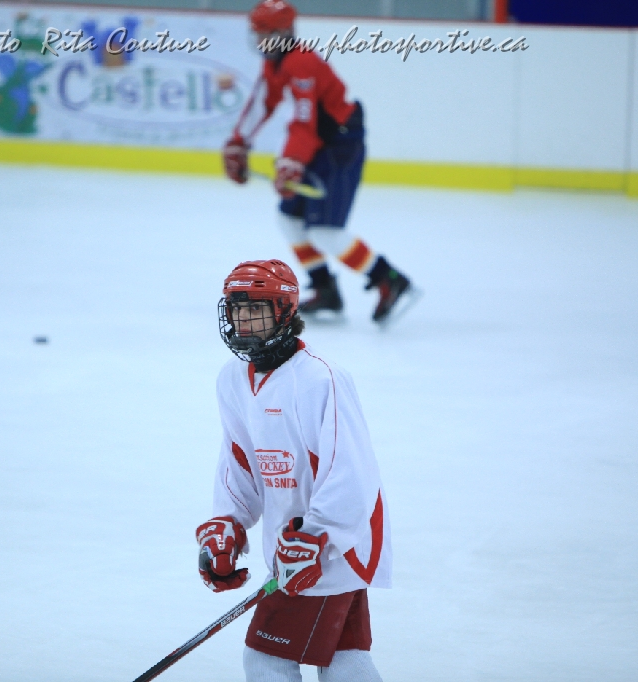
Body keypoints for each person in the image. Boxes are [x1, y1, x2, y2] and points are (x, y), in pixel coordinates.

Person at [196, 259, 390, 681]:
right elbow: (239, 461)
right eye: (236, 309)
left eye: (256, 309)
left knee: (266, 658)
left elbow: (351, 471)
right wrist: (229, 522)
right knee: (342, 660)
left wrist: (316, 536)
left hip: (331, 548)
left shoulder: (321, 379)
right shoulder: (232, 379)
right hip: (297, 551)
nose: (243, 320)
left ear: (284, 311)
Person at [223, 0, 419, 324]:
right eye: (257, 34)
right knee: (289, 219)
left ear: (284, 33)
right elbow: (262, 102)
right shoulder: (275, 63)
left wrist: (290, 164)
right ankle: (325, 289)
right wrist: (238, 141)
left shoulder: (301, 63)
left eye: (264, 34)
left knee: (325, 232)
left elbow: (304, 124)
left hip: (338, 147)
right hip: (318, 146)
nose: (258, 41)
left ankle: (390, 279)